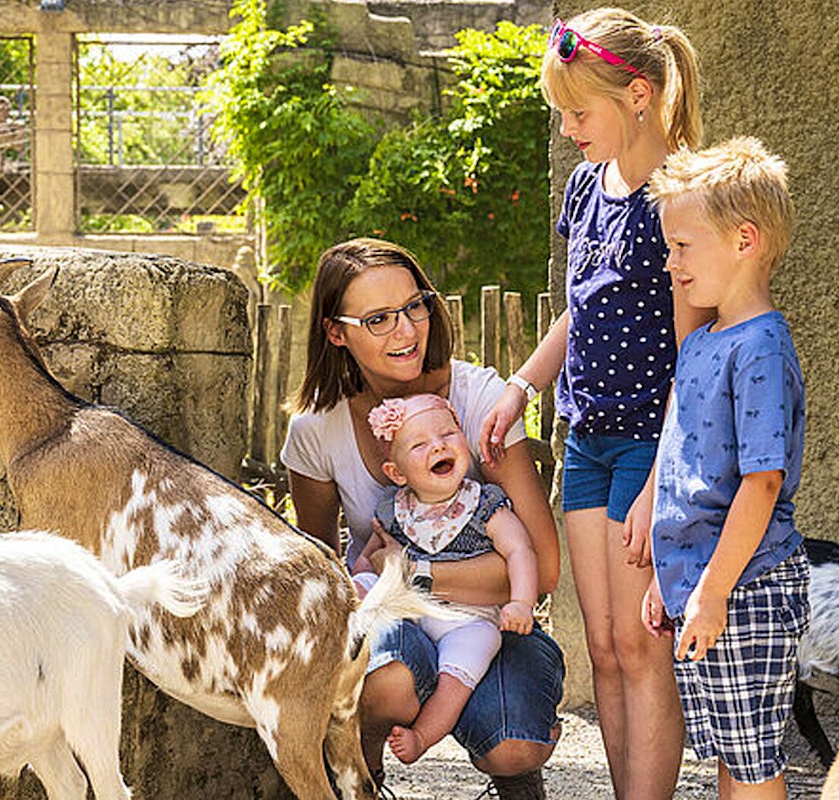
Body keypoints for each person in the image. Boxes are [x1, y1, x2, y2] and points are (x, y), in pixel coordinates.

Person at [478, 8, 709, 798]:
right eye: (564, 114)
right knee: (604, 646)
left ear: (636, 95)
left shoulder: (679, 198)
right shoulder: (585, 186)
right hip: (586, 438)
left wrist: (659, 481)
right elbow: (582, 308)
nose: (570, 127)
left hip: (653, 440)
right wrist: (521, 384)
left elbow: (694, 350)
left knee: (644, 647)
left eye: (581, 112)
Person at [281, 237, 563, 800]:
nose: (407, 331)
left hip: (487, 621)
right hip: (393, 625)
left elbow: (545, 566)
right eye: (379, 319)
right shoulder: (317, 429)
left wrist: (412, 572)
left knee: (514, 743)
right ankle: (361, 779)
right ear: (337, 332)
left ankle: (514, 763)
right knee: (386, 682)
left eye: (416, 306)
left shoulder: (479, 398)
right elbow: (317, 569)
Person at [640, 136, 809, 799]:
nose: (670, 261)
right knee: (725, 752)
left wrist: (710, 591)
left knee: (753, 761)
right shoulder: (706, 341)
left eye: (683, 245)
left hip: (747, 586)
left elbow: (761, 482)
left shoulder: (762, 346)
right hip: (705, 588)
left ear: (743, 240)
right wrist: (669, 579)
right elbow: (685, 463)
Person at [350, 393, 538, 765]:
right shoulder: (393, 507)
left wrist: (521, 601)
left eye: (447, 435)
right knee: (361, 589)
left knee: (458, 678)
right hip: (408, 611)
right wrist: (359, 581)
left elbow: (520, 550)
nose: (438, 446)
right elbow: (368, 559)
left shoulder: (484, 504)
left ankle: (422, 737)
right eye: (420, 444)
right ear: (397, 472)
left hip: (468, 620)